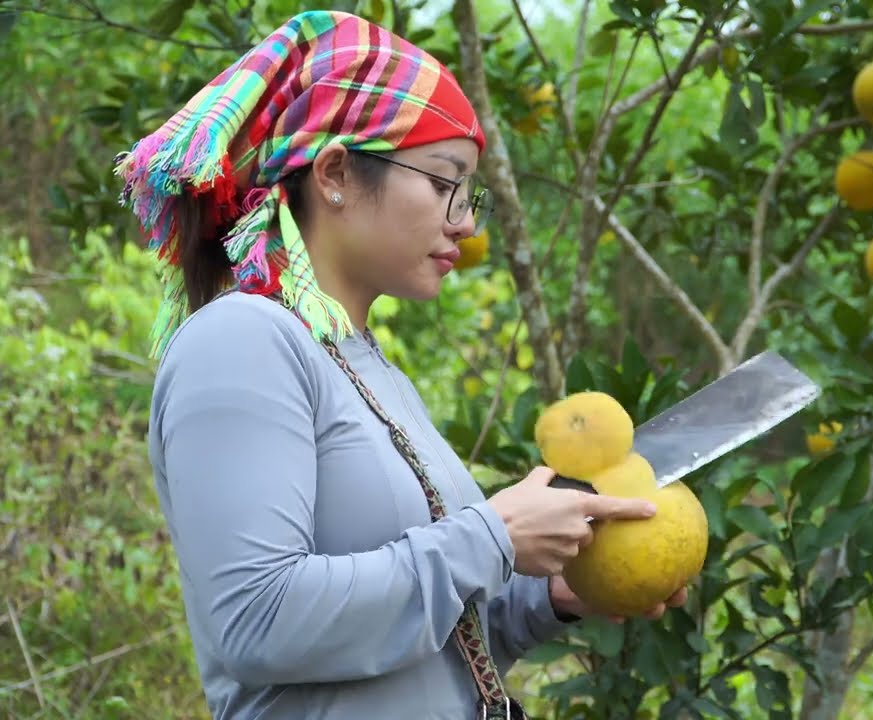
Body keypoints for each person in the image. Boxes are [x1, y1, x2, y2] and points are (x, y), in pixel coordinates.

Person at [115, 10, 688, 720]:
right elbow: (259, 622)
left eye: (470, 194)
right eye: (446, 183)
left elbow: (424, 648)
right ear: (335, 173)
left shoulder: (367, 366)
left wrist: (551, 596)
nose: (465, 222)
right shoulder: (241, 342)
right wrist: (492, 538)